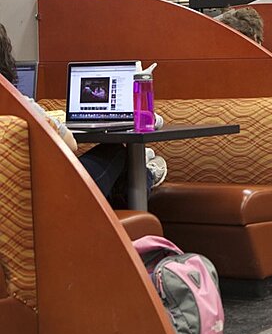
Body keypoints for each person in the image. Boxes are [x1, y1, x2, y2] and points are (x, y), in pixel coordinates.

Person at [0, 23, 163, 205]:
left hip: (13, 199)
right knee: (115, 150)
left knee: (116, 183)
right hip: (53, 198)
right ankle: (147, 171)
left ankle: (139, 172)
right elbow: (70, 144)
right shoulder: (20, 104)